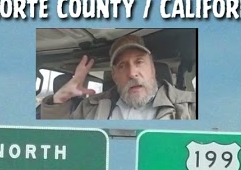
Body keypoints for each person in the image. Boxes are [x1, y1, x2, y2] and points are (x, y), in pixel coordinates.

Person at [38, 34, 196, 120]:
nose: (132, 73)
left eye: (139, 62)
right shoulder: (90, 107)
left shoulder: (191, 107)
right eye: (122, 66)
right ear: (114, 75)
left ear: (153, 68)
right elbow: (61, 143)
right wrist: (59, 99)